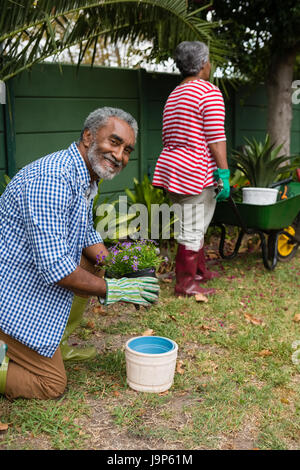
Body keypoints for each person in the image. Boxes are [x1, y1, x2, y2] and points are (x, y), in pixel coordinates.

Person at [0, 107, 159, 400]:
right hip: (8, 296)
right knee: (51, 384)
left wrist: (118, 267)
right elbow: (56, 268)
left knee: (94, 263)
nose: (121, 155)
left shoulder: (84, 177)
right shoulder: (53, 179)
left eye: (127, 150)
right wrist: (116, 288)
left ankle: (50, 341)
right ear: (88, 136)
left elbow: (85, 232)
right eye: (114, 142)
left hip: (25, 276)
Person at [152, 41, 230, 297]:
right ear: (203, 64)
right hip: (196, 172)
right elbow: (216, 138)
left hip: (172, 170)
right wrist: (224, 173)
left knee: (193, 223)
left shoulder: (175, 94)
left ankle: (199, 272)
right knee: (193, 227)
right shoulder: (208, 92)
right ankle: (185, 285)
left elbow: (167, 136)